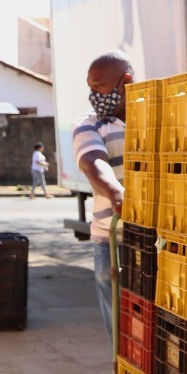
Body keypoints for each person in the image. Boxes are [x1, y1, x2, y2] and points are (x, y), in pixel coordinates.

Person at [73, 50, 133, 347]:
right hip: (113, 241)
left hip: (157, 239)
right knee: (121, 331)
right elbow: (93, 162)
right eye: (90, 86)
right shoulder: (90, 123)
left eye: (99, 85)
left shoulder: (155, 117)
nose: (92, 94)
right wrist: (114, 191)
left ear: (126, 81)